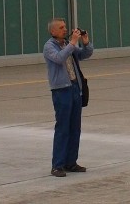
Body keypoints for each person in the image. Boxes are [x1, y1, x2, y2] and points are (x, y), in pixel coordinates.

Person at [43, 17, 93, 177]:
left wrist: (85, 42)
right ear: (53, 31)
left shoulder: (67, 45)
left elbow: (85, 54)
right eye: (61, 27)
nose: (65, 30)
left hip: (75, 88)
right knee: (63, 127)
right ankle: (57, 165)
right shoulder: (49, 46)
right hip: (61, 91)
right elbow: (59, 58)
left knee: (75, 127)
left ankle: (71, 162)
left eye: (65, 27)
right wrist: (72, 42)